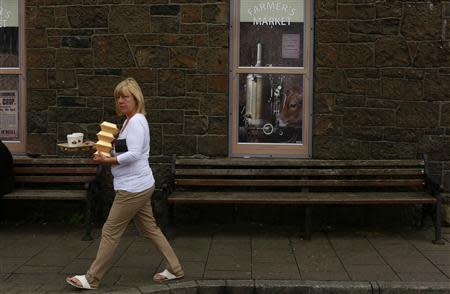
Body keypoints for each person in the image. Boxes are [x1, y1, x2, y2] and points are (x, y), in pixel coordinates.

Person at [66, 78, 183, 290]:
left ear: (136, 99)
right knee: (150, 229)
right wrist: (98, 148)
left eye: (125, 97)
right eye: (118, 97)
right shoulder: (129, 121)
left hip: (133, 188)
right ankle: (175, 269)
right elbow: (122, 150)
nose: (120, 101)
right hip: (138, 185)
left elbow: (134, 154)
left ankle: (92, 278)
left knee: (110, 231)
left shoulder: (137, 121)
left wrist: (106, 160)